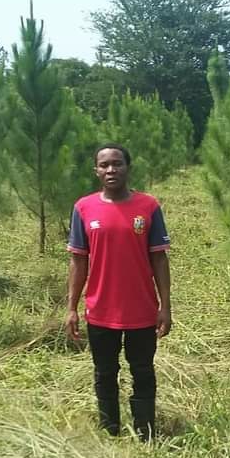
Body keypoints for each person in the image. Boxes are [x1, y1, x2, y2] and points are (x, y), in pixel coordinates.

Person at [64, 144, 172, 442]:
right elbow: (78, 261)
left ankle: (145, 432)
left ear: (128, 167)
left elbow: (159, 259)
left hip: (141, 311)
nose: (111, 170)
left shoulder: (148, 207)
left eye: (117, 164)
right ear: (96, 170)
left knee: (143, 371)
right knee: (105, 372)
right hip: (100, 311)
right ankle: (110, 430)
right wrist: (72, 307)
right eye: (104, 165)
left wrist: (165, 306)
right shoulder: (83, 208)